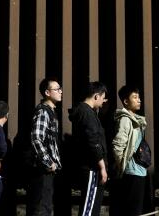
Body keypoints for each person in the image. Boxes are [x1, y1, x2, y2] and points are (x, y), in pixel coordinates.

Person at [68, 81, 109, 216]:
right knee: (89, 209)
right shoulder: (87, 113)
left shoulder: (84, 112)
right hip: (92, 167)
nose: (104, 102)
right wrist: (102, 166)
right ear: (96, 96)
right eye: (103, 98)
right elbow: (93, 141)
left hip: (90, 165)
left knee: (91, 207)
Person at [111, 85, 148, 216]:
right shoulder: (125, 119)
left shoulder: (135, 119)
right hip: (131, 171)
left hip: (139, 170)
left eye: (139, 97)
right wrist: (122, 165)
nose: (139, 100)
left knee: (135, 209)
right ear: (126, 101)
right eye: (135, 97)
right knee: (132, 210)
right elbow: (118, 145)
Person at [27, 78, 63, 216]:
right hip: (42, 170)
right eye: (57, 89)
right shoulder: (43, 112)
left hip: (47, 171)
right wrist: (49, 162)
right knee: (41, 210)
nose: (60, 91)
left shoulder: (51, 112)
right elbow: (36, 138)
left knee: (45, 208)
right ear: (47, 92)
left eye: (60, 88)